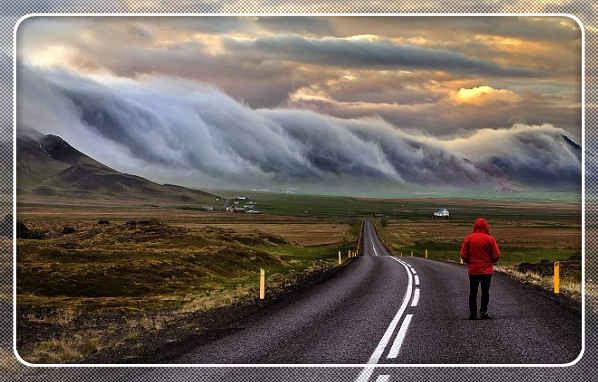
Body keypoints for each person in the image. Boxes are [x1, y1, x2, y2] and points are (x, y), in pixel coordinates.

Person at [459, 218, 500, 320]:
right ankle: (483, 312)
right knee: (485, 292)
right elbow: (496, 255)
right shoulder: (490, 239)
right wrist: (492, 261)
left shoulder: (469, 238)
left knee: (473, 291)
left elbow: (463, 254)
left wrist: (468, 261)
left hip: (473, 270)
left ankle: (473, 313)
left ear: (475, 226)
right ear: (486, 227)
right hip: (486, 271)